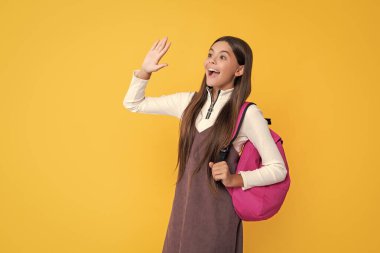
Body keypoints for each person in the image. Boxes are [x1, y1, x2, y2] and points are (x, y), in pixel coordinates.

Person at [123, 36, 287, 253]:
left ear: (239, 70)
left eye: (222, 57)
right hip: (181, 216)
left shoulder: (247, 114)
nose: (212, 61)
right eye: (210, 55)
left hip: (216, 219)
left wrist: (235, 178)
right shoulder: (188, 103)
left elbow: (278, 170)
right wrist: (145, 71)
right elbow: (133, 103)